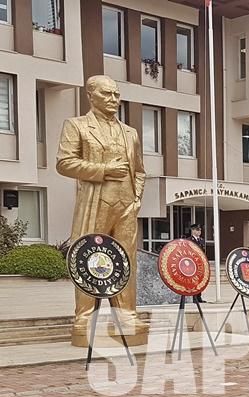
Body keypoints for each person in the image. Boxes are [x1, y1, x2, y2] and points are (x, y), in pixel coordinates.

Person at [57, 75, 147, 346]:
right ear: (91, 96)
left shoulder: (130, 132)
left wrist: (136, 198)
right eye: (107, 94)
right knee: (88, 255)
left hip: (125, 205)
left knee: (126, 260)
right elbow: (64, 163)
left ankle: (126, 314)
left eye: (117, 95)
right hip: (96, 201)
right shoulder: (77, 126)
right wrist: (104, 170)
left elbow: (140, 171)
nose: (114, 100)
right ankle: (85, 316)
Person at [185, 224, 208, 303]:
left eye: (200, 230)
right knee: (193, 280)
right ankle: (194, 297)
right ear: (193, 230)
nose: (199, 232)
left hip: (200, 263)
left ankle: (199, 297)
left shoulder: (202, 240)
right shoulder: (189, 240)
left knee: (199, 280)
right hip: (192, 263)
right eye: (197, 230)